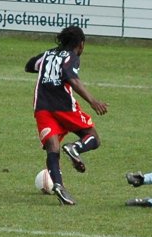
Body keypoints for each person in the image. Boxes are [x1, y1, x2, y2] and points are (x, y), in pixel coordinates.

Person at [25, 25, 108, 205]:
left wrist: (47, 71)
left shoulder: (47, 55)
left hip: (42, 108)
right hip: (64, 106)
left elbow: (29, 65)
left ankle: (59, 187)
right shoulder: (72, 57)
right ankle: (75, 148)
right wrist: (93, 101)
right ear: (81, 44)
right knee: (93, 137)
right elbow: (72, 78)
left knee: (52, 148)